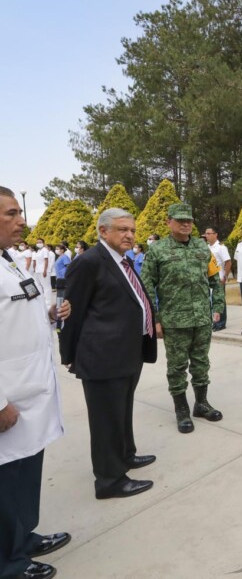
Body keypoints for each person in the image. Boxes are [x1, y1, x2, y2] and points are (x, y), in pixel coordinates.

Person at [59, 208, 157, 500]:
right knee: (105, 420)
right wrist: (69, 354)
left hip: (127, 352)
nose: (129, 235)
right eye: (122, 229)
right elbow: (71, 313)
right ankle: (109, 480)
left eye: (132, 230)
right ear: (103, 231)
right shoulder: (89, 262)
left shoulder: (123, 261)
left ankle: (125, 455)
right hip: (102, 357)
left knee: (121, 411)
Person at [0, 186, 72, 579]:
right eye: (11, 213)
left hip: (30, 392)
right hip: (8, 400)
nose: (21, 220)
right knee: (6, 483)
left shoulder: (9, 261)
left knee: (25, 475)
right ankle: (8, 563)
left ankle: (22, 539)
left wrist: (48, 313)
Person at [140, 203, 224, 434]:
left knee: (201, 362)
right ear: (169, 222)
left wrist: (217, 305)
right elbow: (146, 287)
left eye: (189, 220)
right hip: (174, 320)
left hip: (201, 318)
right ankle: (182, 410)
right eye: (180, 220)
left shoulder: (202, 247)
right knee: (177, 366)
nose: (186, 223)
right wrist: (155, 319)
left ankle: (201, 404)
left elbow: (215, 279)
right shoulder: (157, 250)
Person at [203, 227, 232, 332]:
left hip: (219, 279)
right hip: (209, 279)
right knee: (211, 301)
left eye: (209, 233)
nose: (206, 236)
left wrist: (225, 276)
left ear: (215, 235)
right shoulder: (206, 247)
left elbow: (228, 262)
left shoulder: (221, 248)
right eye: (206, 234)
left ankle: (221, 323)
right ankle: (214, 322)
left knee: (219, 301)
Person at [31, 238, 52, 308]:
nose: (38, 243)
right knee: (38, 286)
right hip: (37, 271)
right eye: (37, 242)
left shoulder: (45, 250)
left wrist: (45, 270)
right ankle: (41, 300)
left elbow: (46, 260)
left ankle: (48, 303)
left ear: (43, 243)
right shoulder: (38, 251)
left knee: (46, 287)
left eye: (40, 242)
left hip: (44, 271)